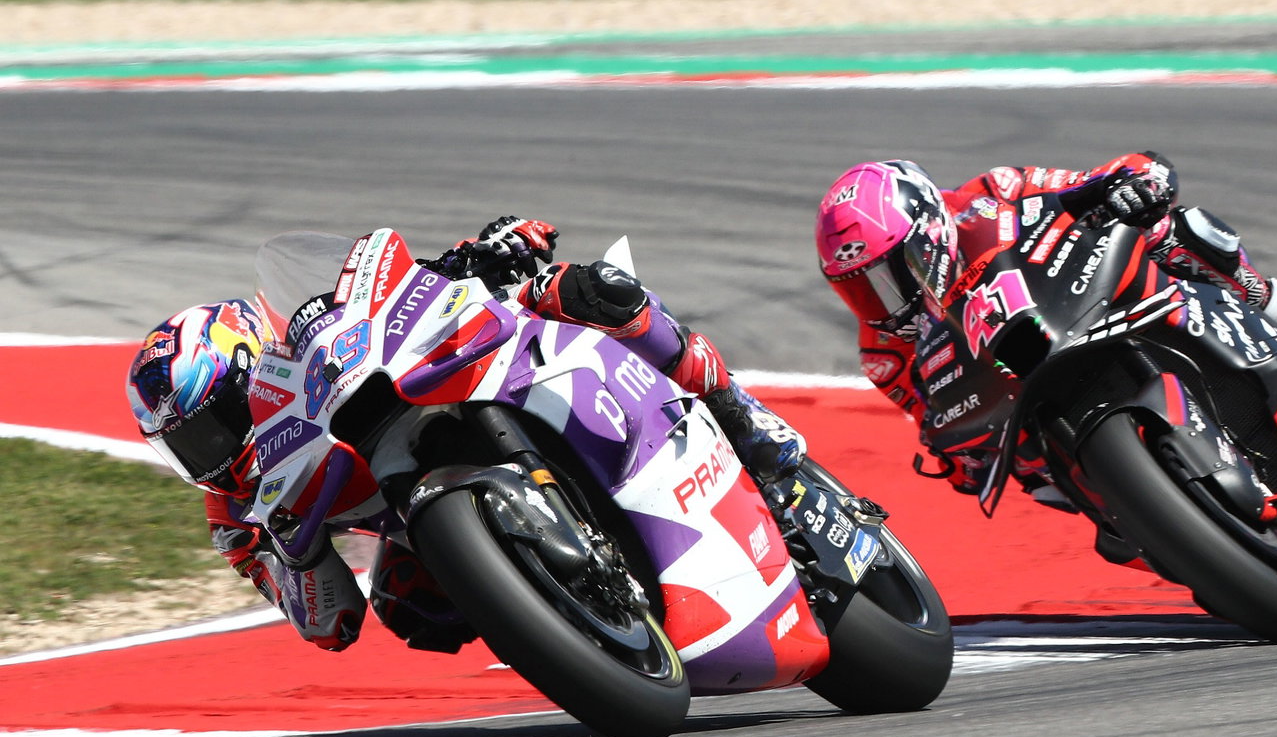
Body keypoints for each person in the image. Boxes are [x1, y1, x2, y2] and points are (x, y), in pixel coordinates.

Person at [126, 217, 805, 653]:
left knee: (588, 288)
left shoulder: (308, 355)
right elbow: (330, 625)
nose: (210, 458)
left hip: (448, 384)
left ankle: (737, 408)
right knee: (410, 606)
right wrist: (295, 558)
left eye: (211, 426)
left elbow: (392, 301)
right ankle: (564, 620)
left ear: (250, 373)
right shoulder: (237, 512)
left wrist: (479, 253)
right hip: (412, 514)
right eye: (186, 447)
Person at [814, 154, 1277, 501]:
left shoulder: (991, 194)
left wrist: (1134, 180)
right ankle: (1164, 527)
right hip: (1026, 394)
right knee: (1037, 484)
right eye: (859, 287)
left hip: (1094, 298)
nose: (882, 300)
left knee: (1183, 232)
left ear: (927, 232)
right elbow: (932, 420)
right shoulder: (883, 352)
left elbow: (1093, 181)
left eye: (889, 277)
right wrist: (958, 462)